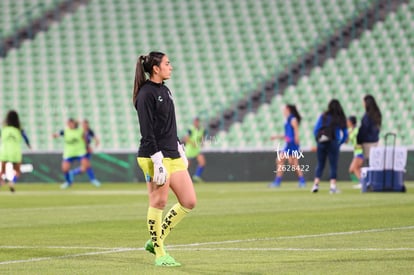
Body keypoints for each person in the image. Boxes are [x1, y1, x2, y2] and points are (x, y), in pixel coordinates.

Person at [133, 51, 196, 267]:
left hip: (172, 153)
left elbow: (169, 124)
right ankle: (160, 253)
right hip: (153, 156)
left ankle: (155, 239)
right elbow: (146, 130)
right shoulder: (145, 94)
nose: (171, 67)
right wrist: (157, 160)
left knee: (189, 201)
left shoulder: (165, 91)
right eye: (167, 63)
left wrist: (179, 147)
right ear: (156, 69)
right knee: (158, 201)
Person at [311, 99, 348, 194]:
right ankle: (332, 187)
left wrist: (318, 140)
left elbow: (315, 130)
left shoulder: (323, 116)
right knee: (333, 165)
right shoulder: (340, 118)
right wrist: (340, 143)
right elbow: (345, 134)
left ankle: (315, 185)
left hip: (322, 142)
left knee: (320, 164)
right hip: (333, 142)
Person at [52, 118, 99, 189]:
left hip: (80, 152)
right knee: (64, 169)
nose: (70, 125)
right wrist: (54, 135)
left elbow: (85, 139)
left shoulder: (80, 130)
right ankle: (68, 182)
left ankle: (92, 180)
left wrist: (88, 147)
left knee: (86, 166)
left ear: (74, 124)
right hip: (69, 153)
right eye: (68, 124)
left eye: (71, 123)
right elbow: (57, 134)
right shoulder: (65, 131)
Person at [269, 104, 306, 188]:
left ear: (288, 109)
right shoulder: (288, 120)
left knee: (291, 163)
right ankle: (279, 181)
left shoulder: (292, 119)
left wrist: (296, 141)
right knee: (287, 162)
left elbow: (296, 131)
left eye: (284, 109)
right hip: (289, 144)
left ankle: (279, 182)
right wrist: (276, 137)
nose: (283, 111)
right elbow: (287, 135)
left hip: (292, 144)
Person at [0, 110, 31, 192]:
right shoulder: (19, 130)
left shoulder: (4, 129)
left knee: (2, 171)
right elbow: (26, 138)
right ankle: (12, 182)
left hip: (5, 151)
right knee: (17, 171)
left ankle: (1, 181)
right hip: (15, 152)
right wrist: (29, 145)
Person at [71, 119, 101, 186]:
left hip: (87, 151)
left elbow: (96, 139)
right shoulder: (80, 131)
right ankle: (93, 180)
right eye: (84, 124)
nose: (85, 125)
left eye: (86, 124)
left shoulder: (90, 131)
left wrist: (95, 145)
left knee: (85, 167)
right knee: (87, 166)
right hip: (82, 151)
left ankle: (71, 173)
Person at [357, 94, 382, 165]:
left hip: (367, 143)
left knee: (367, 164)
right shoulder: (377, 114)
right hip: (375, 141)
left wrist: (359, 140)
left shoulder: (367, 116)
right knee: (373, 163)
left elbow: (364, 130)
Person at [183, 117, 206, 182]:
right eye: (195, 121)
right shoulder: (190, 129)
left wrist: (202, 143)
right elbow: (186, 138)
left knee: (202, 162)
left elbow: (201, 137)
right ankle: (183, 178)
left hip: (197, 149)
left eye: (197, 121)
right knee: (186, 165)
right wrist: (193, 143)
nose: (196, 123)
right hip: (190, 149)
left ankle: (197, 176)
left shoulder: (201, 129)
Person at [346, 116, 364, 184]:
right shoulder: (350, 130)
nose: (346, 123)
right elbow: (347, 141)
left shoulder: (357, 130)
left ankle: (362, 183)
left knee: (355, 168)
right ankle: (363, 181)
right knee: (352, 169)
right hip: (356, 152)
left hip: (360, 151)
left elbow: (360, 140)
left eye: (347, 121)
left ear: (351, 122)